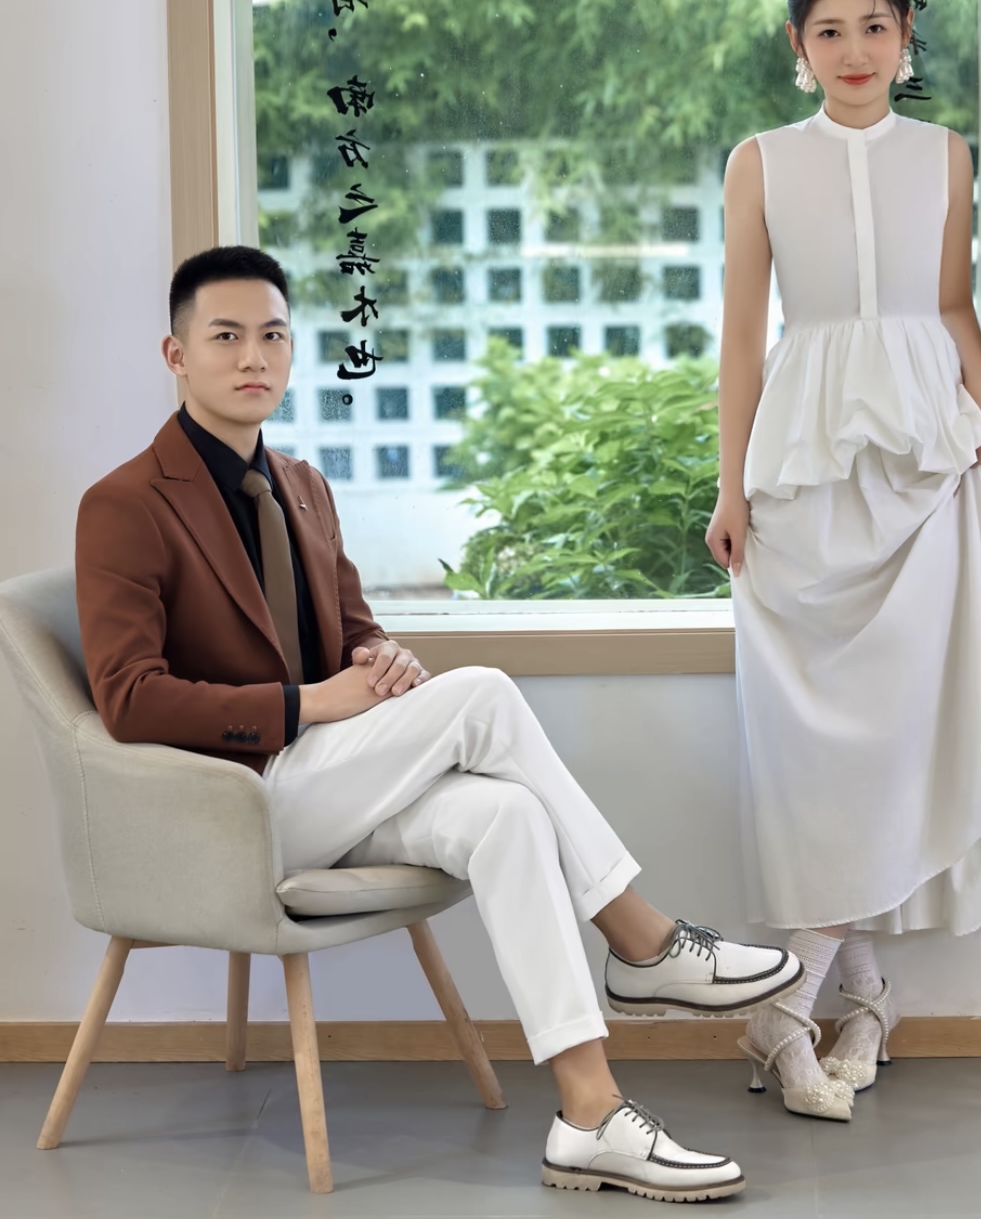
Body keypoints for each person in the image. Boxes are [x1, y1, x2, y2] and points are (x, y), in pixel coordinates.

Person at [76, 245, 806, 1203]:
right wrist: (307, 706)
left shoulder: (303, 485)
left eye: (273, 335)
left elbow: (352, 631)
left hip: (337, 784)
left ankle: (589, 1114)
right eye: (226, 337)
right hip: (239, 805)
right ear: (176, 355)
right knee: (487, 693)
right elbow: (128, 697)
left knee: (510, 817)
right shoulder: (124, 504)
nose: (253, 356)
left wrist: (383, 662)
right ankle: (641, 940)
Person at [706, 0, 981, 1123]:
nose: (853, 49)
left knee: (902, 735)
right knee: (815, 753)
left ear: (906, 37)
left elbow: (951, 299)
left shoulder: (946, 155)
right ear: (796, 45)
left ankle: (795, 1005)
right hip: (802, 469)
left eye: (874, 26)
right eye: (829, 30)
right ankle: (850, 995)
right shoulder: (759, 162)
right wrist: (730, 487)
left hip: (924, 458)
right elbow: (741, 339)